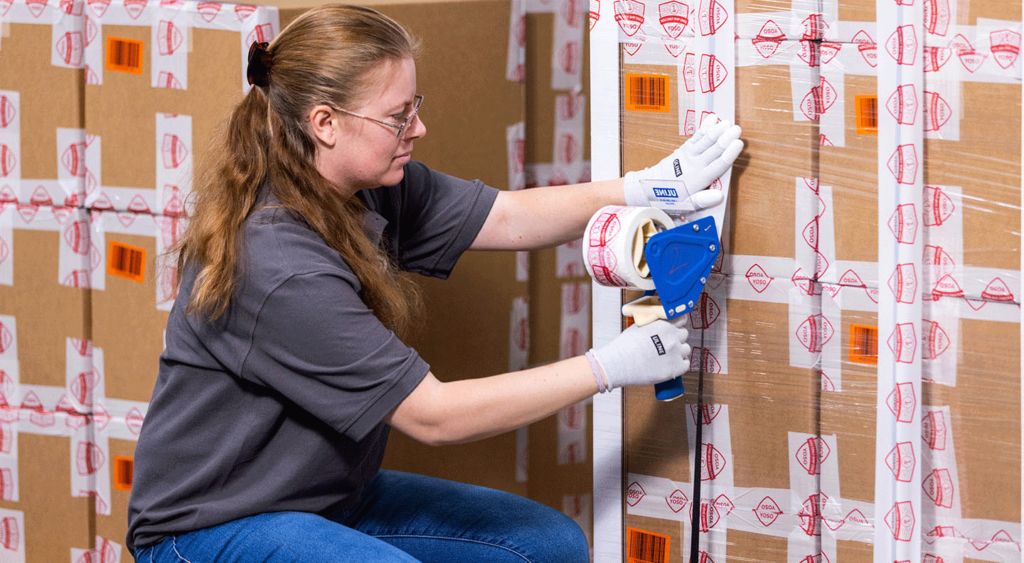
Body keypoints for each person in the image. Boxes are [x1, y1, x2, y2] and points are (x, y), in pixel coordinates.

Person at [126, 4, 744, 562]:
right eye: (398, 116)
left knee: (546, 547)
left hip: (326, 495)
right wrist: (608, 366)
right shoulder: (278, 264)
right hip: (210, 529)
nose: (416, 129)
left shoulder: (363, 186)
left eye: (413, 107)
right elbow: (436, 416)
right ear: (325, 123)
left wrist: (646, 187)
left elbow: (506, 216)